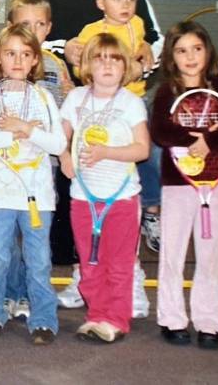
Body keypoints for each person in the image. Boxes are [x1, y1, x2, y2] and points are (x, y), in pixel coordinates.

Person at [28, 0, 163, 301]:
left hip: (115, 103)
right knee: (70, 185)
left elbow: (152, 42)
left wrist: (138, 66)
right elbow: (25, 29)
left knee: (119, 184)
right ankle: (78, 275)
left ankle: (132, 272)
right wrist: (62, 49)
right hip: (61, 100)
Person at [151, 21, 218, 350]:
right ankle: (172, 318)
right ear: (171, 57)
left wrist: (210, 140)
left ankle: (209, 321)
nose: (190, 57)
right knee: (172, 252)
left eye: (197, 49)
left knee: (210, 254)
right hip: (177, 182)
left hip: (215, 180)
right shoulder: (168, 90)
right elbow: (161, 131)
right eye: (181, 51)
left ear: (208, 51)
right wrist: (192, 137)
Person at [0, 25, 65, 345]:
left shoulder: (43, 97)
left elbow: (57, 143)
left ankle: (43, 318)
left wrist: (27, 127)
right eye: (10, 53)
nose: (18, 60)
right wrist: (15, 132)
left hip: (37, 193)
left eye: (26, 54)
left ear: (35, 59)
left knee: (39, 259)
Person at [60, 34, 150, 344]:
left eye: (115, 58)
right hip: (83, 197)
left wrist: (106, 153)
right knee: (90, 261)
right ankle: (96, 314)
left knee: (119, 263)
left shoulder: (131, 103)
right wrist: (63, 157)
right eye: (100, 58)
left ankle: (115, 318)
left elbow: (142, 149)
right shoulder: (76, 99)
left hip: (121, 198)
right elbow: (62, 138)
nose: (107, 64)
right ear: (87, 65)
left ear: (125, 66)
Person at [0, 0, 75, 321]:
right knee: (8, 238)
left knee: (34, 235)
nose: (33, 30)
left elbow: (64, 117)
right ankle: (9, 292)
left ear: (49, 28)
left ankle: (30, 293)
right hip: (8, 167)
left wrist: (64, 148)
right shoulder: (1, 68)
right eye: (24, 23)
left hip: (44, 168)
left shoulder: (57, 67)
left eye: (39, 24)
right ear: (10, 26)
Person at [69, 0, 154, 97]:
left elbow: (142, 48)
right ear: (101, 3)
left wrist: (145, 48)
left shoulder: (137, 23)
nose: (126, 5)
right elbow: (79, 68)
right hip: (103, 96)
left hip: (137, 95)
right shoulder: (91, 31)